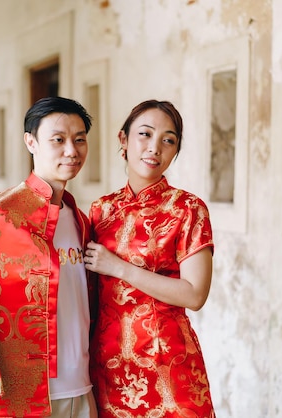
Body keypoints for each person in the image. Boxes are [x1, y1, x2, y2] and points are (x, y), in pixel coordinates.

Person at [0, 96, 98, 418]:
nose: (71, 151)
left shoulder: (81, 219)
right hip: (23, 392)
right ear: (30, 142)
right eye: (58, 140)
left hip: (83, 386)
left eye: (79, 140)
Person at [84, 100, 216, 417]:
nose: (154, 148)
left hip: (170, 361)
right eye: (145, 134)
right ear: (123, 140)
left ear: (175, 151)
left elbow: (195, 294)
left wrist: (119, 268)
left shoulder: (188, 209)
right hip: (109, 365)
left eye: (168, 140)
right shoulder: (100, 211)